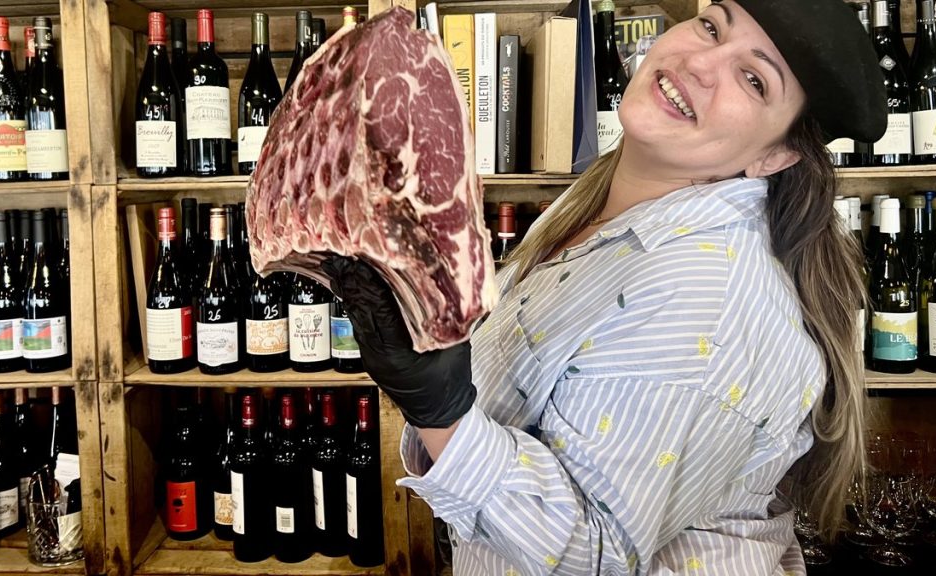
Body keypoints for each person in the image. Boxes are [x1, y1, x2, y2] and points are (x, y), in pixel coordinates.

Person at [322, 0, 885, 572]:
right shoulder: (599, 203)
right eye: (712, 26)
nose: (700, 63)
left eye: (753, 79)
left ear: (777, 154)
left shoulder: (704, 299)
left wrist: (440, 411)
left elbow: (593, 555)